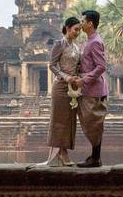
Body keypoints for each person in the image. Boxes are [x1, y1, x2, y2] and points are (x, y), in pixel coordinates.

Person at [70, 10, 108, 167]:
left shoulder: (95, 42)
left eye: (83, 21)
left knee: (94, 123)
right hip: (89, 89)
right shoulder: (90, 40)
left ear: (90, 23)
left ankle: (96, 158)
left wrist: (83, 80)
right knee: (91, 123)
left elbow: (101, 66)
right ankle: (95, 157)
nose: (81, 24)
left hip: (94, 90)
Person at [44, 17, 82, 166]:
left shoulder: (76, 47)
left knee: (70, 120)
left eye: (79, 29)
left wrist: (79, 79)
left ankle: (64, 151)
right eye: (76, 29)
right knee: (59, 120)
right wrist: (66, 77)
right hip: (60, 87)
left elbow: (78, 66)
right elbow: (52, 66)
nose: (78, 32)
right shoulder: (59, 44)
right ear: (67, 28)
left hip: (73, 88)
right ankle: (62, 152)